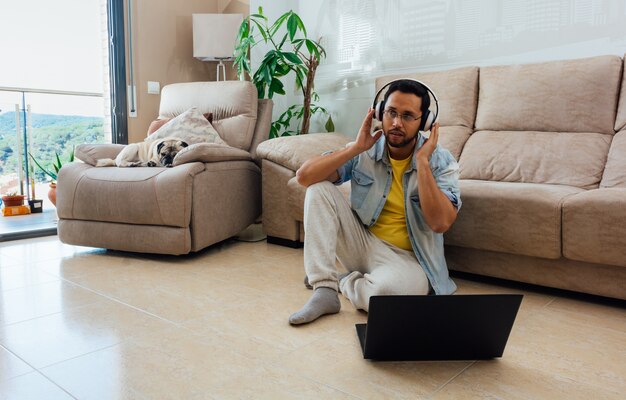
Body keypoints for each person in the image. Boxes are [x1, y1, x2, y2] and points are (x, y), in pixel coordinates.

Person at [288, 79, 462, 325]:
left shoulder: (440, 161)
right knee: (319, 189)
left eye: (408, 116)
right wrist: (355, 148)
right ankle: (325, 290)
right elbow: (304, 177)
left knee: (388, 301)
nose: (396, 123)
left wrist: (422, 163)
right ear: (381, 112)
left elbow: (440, 223)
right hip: (362, 242)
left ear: (424, 123)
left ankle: (345, 280)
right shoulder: (366, 149)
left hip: (408, 258)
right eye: (391, 112)